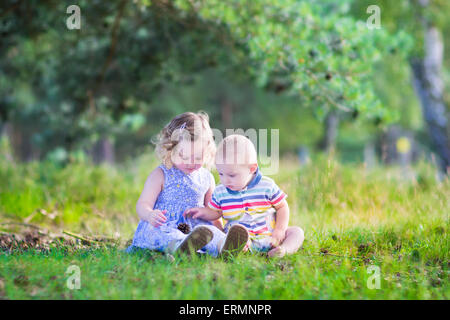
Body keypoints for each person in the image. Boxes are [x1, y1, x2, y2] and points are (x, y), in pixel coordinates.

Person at [184, 134, 304, 257]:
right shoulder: (221, 192)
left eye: (232, 175)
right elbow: (216, 213)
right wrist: (203, 212)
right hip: (243, 240)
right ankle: (237, 248)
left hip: (271, 237)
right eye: (221, 174)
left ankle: (283, 250)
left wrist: (280, 230)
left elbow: (282, 207)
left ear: (252, 169)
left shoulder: (266, 186)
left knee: (296, 232)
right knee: (235, 231)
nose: (225, 180)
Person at [126, 112, 226, 256]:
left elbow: (214, 212)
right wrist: (149, 215)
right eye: (183, 156)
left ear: (207, 152)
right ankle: (182, 247)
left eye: (198, 157)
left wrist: (220, 230)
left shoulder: (206, 178)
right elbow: (142, 204)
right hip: (165, 225)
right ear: (170, 149)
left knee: (211, 234)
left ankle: (225, 245)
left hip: (196, 229)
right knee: (167, 235)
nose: (190, 162)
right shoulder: (161, 174)